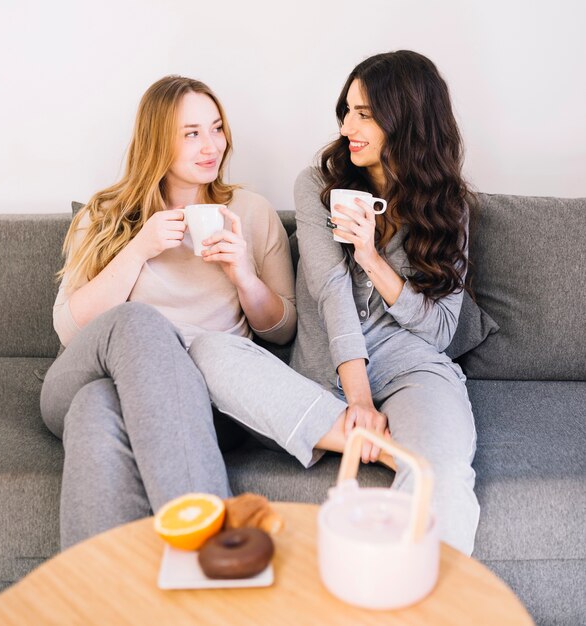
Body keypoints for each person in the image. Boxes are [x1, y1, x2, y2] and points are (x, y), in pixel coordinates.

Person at [189, 51, 480, 555]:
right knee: (209, 351)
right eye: (346, 111)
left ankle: (416, 600)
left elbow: (439, 332)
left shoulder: (449, 205)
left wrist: (370, 256)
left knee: (445, 476)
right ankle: (373, 444)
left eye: (365, 113)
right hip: (322, 371)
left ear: (406, 119)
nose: (348, 125)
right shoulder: (318, 185)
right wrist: (360, 402)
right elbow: (329, 291)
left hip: (412, 367)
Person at [40, 75, 300, 549]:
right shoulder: (104, 215)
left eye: (216, 128)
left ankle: (104, 603)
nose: (211, 146)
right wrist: (137, 250)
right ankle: (212, 549)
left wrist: (243, 274)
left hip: (206, 403)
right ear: (157, 140)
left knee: (96, 410)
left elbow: (282, 333)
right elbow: (69, 329)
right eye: (191, 133)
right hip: (81, 372)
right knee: (139, 324)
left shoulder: (251, 213)